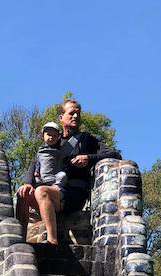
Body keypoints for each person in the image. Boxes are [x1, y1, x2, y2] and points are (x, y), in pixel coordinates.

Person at [16, 99, 121, 244]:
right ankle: (19, 241)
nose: (76, 116)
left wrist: (88, 158)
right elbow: (36, 162)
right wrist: (27, 183)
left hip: (73, 194)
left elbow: (114, 154)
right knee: (23, 194)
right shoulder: (53, 141)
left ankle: (52, 241)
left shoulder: (86, 139)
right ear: (61, 118)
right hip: (53, 193)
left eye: (78, 113)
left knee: (41, 191)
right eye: (71, 113)